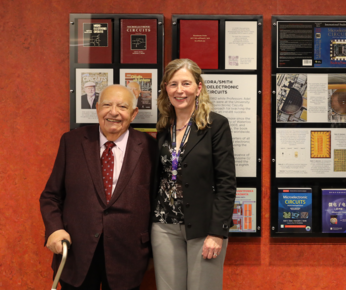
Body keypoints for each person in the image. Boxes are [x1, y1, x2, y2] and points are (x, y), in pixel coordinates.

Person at [40, 85, 157, 290]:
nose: (113, 112)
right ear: (96, 108)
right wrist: (54, 229)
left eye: (122, 106)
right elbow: (51, 196)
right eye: (107, 105)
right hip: (77, 253)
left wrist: (154, 253)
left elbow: (157, 202)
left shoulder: (150, 147)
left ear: (133, 113)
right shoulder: (72, 142)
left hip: (129, 256)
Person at [151, 58, 236, 290]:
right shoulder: (162, 127)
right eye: (173, 84)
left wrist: (217, 232)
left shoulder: (215, 125)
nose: (180, 90)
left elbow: (226, 183)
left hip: (203, 226)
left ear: (199, 88)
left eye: (186, 84)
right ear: (166, 89)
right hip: (163, 225)